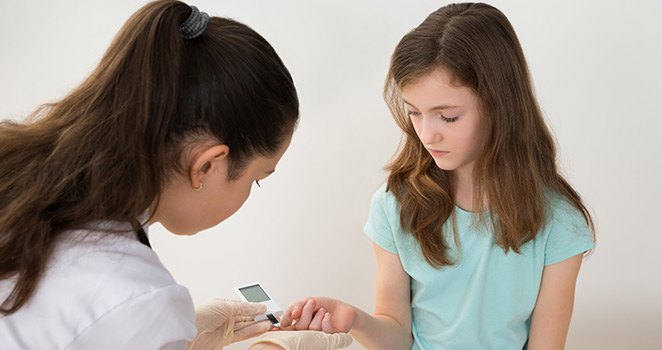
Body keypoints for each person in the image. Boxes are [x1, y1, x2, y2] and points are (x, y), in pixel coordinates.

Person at [0, 1, 352, 349]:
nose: (252, 191)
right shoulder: (135, 300)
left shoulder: (18, 178)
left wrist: (183, 339)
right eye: (257, 178)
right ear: (206, 166)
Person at [279, 3, 596, 349]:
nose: (427, 134)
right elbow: (398, 334)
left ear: (500, 105)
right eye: (415, 113)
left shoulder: (559, 221)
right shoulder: (395, 205)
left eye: (447, 117)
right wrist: (354, 319)